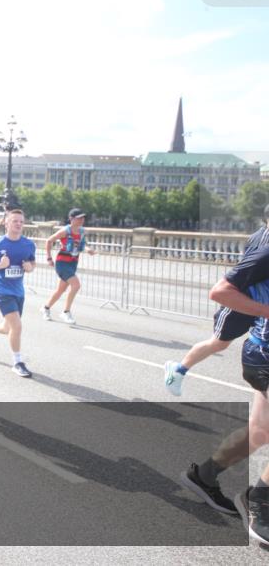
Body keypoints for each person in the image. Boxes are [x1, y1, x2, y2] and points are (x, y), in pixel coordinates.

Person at [177, 242, 269, 544]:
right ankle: (260, 500)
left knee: (258, 432)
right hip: (265, 354)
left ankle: (203, 476)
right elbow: (221, 290)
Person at [164, 204, 269, 395]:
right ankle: (178, 370)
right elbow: (226, 286)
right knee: (219, 342)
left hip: (257, 299)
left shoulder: (258, 234)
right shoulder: (263, 245)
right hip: (242, 301)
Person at [0, 209, 37, 378]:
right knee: (17, 326)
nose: (19, 224)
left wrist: (30, 268)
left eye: (21, 222)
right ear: (6, 223)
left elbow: (32, 263)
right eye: (15, 221)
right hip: (2, 290)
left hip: (18, 291)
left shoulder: (28, 244)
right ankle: (17, 362)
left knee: (9, 328)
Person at [41, 208, 96, 325]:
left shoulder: (81, 231)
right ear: (71, 219)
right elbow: (49, 241)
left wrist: (88, 249)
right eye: (79, 218)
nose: (82, 220)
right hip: (62, 263)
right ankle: (66, 312)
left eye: (83, 217)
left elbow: (82, 244)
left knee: (61, 290)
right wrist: (49, 258)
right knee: (76, 285)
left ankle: (46, 308)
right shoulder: (65, 231)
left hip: (73, 263)